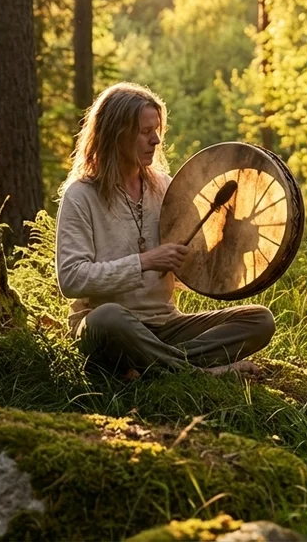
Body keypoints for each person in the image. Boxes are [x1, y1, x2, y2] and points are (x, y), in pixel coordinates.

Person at [55, 82, 275, 377]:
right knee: (106, 318)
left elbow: (196, 273)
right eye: (145, 132)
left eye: (157, 130)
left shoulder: (166, 188)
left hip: (166, 326)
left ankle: (157, 366)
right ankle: (199, 372)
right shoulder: (81, 195)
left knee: (259, 321)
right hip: (111, 329)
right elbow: (71, 279)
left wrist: (231, 243)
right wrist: (145, 262)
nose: (156, 140)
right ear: (116, 134)